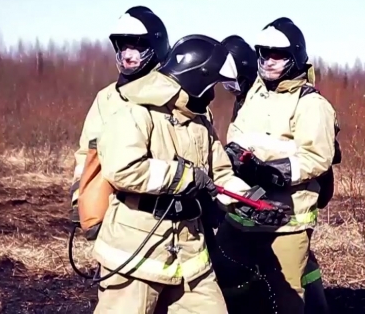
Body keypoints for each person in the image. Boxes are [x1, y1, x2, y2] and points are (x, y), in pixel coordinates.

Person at [90, 33, 291, 313]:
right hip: (136, 254)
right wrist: (183, 176)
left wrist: (248, 201)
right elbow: (123, 169)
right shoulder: (134, 110)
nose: (214, 94)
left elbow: (218, 172)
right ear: (199, 77)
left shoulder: (199, 119)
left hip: (189, 254)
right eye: (213, 86)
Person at [216, 18, 338, 314]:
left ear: (294, 55)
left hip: (288, 218)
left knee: (285, 294)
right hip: (244, 214)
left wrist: (273, 172)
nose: (268, 61)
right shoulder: (253, 97)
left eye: (277, 54)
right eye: (264, 53)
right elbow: (236, 136)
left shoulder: (311, 104)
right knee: (225, 274)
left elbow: (317, 157)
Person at [68, 6, 169, 235]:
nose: (128, 55)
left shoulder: (174, 98)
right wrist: (80, 198)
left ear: (156, 47)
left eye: (137, 46)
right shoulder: (106, 99)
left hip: (165, 218)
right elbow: (87, 155)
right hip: (114, 221)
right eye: (123, 46)